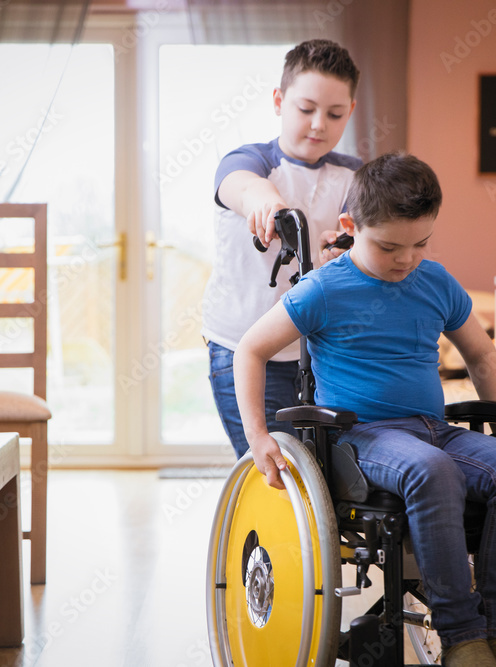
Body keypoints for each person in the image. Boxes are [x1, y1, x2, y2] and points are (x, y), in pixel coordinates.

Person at [234, 152, 496, 667]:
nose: (406, 259)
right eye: (388, 246)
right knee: (431, 470)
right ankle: (462, 637)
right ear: (349, 227)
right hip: (363, 439)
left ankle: (495, 633)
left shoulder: (436, 281)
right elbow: (251, 348)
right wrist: (258, 435)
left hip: (434, 429)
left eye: (421, 243)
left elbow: (483, 355)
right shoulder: (324, 290)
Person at [203, 39, 362, 458]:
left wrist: (342, 250)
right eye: (305, 109)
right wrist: (267, 204)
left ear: (352, 111)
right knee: (274, 471)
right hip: (243, 348)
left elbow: (360, 236)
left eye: (334, 114)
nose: (318, 125)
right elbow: (244, 187)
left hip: (318, 351)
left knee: (323, 477)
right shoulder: (249, 160)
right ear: (279, 100)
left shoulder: (354, 177)